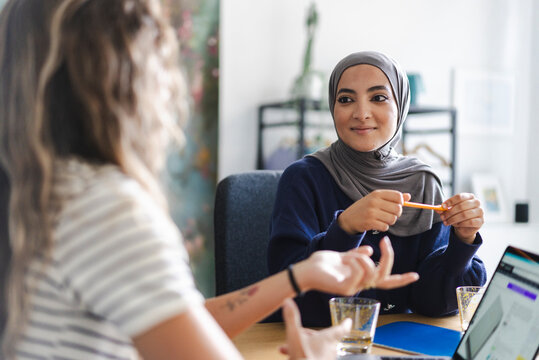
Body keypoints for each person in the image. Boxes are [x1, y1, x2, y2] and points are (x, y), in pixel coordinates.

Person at [0, 2, 420, 359]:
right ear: (124, 78)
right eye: (162, 56)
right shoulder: (105, 207)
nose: (172, 81)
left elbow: (178, 317)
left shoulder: (37, 187)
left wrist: (300, 276)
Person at [267, 51, 487, 327]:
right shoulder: (303, 179)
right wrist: (344, 229)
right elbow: (288, 297)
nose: (361, 114)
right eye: (345, 99)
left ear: (401, 106)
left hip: (398, 349)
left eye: (378, 98)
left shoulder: (423, 182)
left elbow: (433, 304)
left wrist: (463, 241)